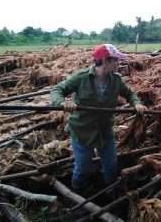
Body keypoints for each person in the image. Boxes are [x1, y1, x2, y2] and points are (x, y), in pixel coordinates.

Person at [51, 44, 147, 192]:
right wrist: (63, 102)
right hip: (83, 132)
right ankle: (78, 193)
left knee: (110, 165)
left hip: (104, 130)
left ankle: (110, 191)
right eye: (115, 60)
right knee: (82, 167)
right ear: (105, 61)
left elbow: (130, 94)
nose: (118, 63)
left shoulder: (116, 80)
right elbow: (58, 90)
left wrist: (136, 103)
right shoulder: (81, 78)